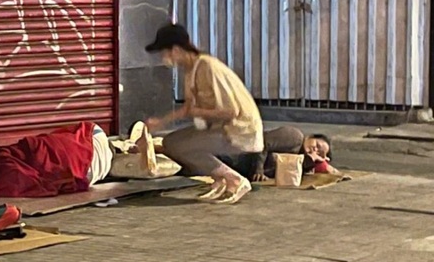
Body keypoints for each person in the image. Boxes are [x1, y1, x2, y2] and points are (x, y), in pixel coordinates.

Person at [144, 23, 263, 204]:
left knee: (183, 147)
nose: (164, 58)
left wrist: (198, 112)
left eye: (165, 53)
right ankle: (221, 180)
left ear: (176, 50)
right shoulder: (190, 70)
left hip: (239, 131)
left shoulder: (208, 66)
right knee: (171, 142)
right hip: (218, 128)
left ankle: (235, 180)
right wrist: (160, 122)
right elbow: (187, 109)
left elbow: (232, 111)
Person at [248, 128, 338, 181]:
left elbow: (291, 171)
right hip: (242, 155)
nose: (315, 149)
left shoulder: (301, 160)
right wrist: (258, 169)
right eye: (317, 145)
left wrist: (310, 161)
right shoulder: (296, 137)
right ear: (310, 137)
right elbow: (262, 142)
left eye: (319, 153)